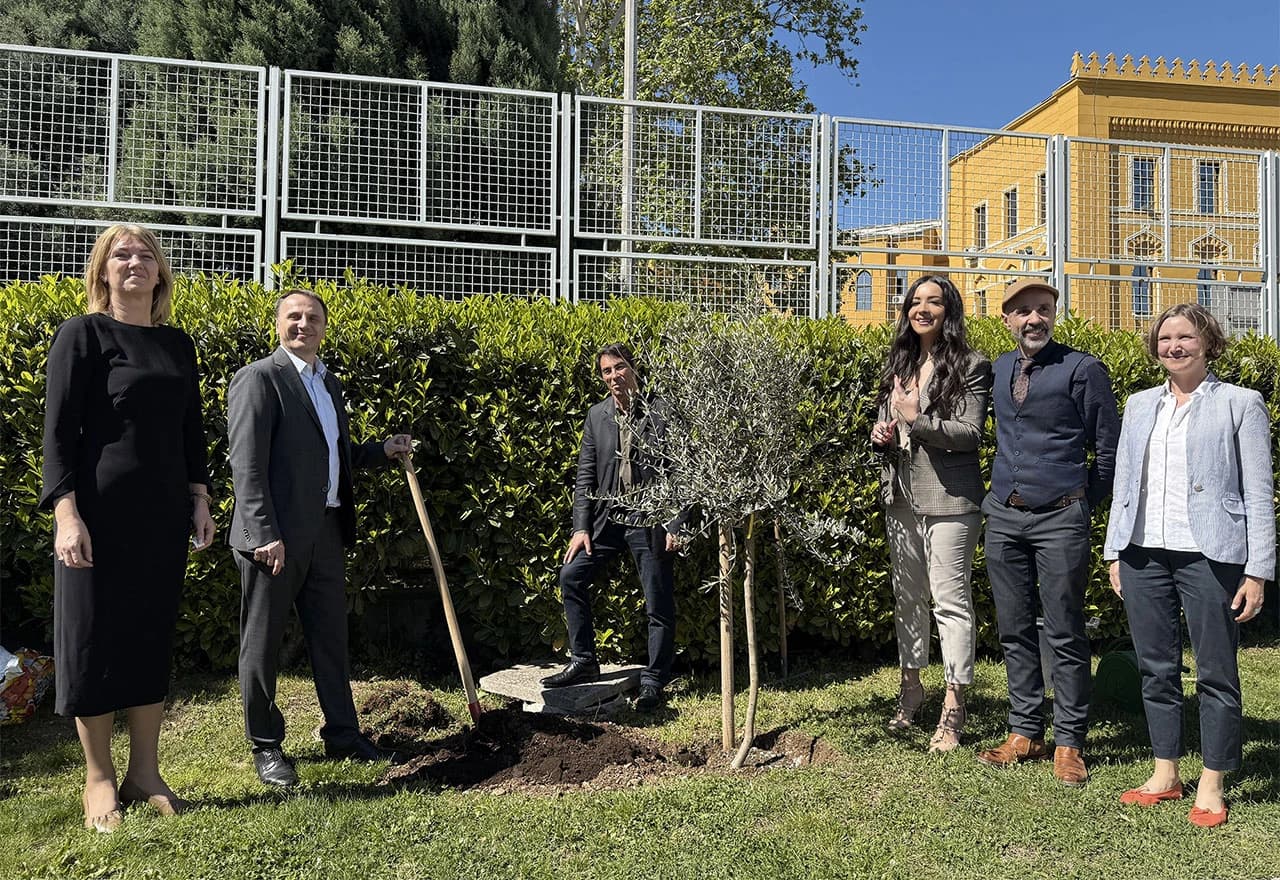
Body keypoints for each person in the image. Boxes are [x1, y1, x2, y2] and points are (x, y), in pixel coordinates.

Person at [40, 224, 216, 832]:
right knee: (90, 641)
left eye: (145, 254)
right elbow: (58, 436)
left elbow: (191, 432)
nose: (135, 261)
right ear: (103, 271)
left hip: (162, 515)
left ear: (160, 272)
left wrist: (200, 498)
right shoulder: (82, 336)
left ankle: (145, 771)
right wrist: (66, 514)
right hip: (95, 516)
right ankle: (98, 778)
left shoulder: (177, 346)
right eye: (122, 254)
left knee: (148, 636)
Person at [227, 289, 413, 788]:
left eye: (312, 318)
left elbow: (332, 454)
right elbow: (246, 467)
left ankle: (342, 733)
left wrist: (381, 450)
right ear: (278, 324)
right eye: (293, 316)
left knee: (331, 639)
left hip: (326, 534)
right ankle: (266, 746)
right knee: (261, 645)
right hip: (274, 539)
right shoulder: (259, 379)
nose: (303, 324)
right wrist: (263, 532)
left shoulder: (327, 384)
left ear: (324, 328)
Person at [1104, 303, 1272, 828]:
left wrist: (1257, 569)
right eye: (1164, 338)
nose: (1174, 347)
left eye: (1185, 337)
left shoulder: (1241, 404)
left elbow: (1260, 494)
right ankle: (1165, 772)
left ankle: (1214, 779)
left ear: (1208, 343)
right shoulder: (1138, 405)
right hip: (1143, 551)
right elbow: (1125, 481)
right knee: (1156, 668)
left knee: (1217, 672)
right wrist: (1114, 551)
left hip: (1211, 554)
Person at [976, 278, 1119, 786]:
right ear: (1008, 320)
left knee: (1064, 629)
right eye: (1023, 312)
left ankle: (1069, 741)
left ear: (1054, 315)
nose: (1034, 319)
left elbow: (1107, 453)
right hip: (1005, 516)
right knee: (1014, 627)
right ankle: (1024, 731)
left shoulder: (1082, 368)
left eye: (1043, 309)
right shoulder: (996, 369)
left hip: (1061, 515)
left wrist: (1079, 505)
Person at [870, 276, 992, 752]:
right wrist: (883, 432)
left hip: (950, 501)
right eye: (915, 301)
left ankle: (954, 705)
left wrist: (914, 418)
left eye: (933, 301)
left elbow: (968, 433)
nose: (922, 309)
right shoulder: (899, 361)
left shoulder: (972, 365)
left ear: (949, 310)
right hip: (900, 495)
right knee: (908, 599)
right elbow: (892, 420)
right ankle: (911, 688)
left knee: (950, 603)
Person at [541, 343, 679, 712]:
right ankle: (584, 660)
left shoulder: (660, 410)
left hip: (649, 519)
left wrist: (674, 522)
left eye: (619, 368)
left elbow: (680, 470)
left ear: (633, 369)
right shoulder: (596, 415)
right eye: (606, 371)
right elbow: (585, 474)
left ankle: (653, 681)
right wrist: (580, 528)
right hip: (608, 520)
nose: (614, 377)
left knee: (657, 600)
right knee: (571, 575)